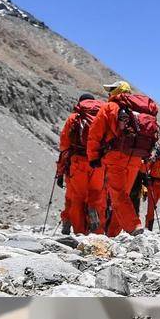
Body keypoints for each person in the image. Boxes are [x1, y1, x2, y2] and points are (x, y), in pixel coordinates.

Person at [87, 81, 159, 237]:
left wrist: (93, 157)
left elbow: (95, 133)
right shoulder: (139, 110)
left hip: (116, 156)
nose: (109, 93)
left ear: (117, 92)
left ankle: (134, 227)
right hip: (135, 158)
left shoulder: (109, 107)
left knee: (118, 195)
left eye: (111, 90)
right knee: (122, 196)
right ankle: (112, 233)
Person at [56, 93, 106, 235]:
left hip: (78, 162)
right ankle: (98, 233)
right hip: (98, 163)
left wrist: (60, 171)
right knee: (97, 196)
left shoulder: (74, 118)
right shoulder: (103, 116)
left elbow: (64, 146)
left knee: (77, 197)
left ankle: (79, 233)